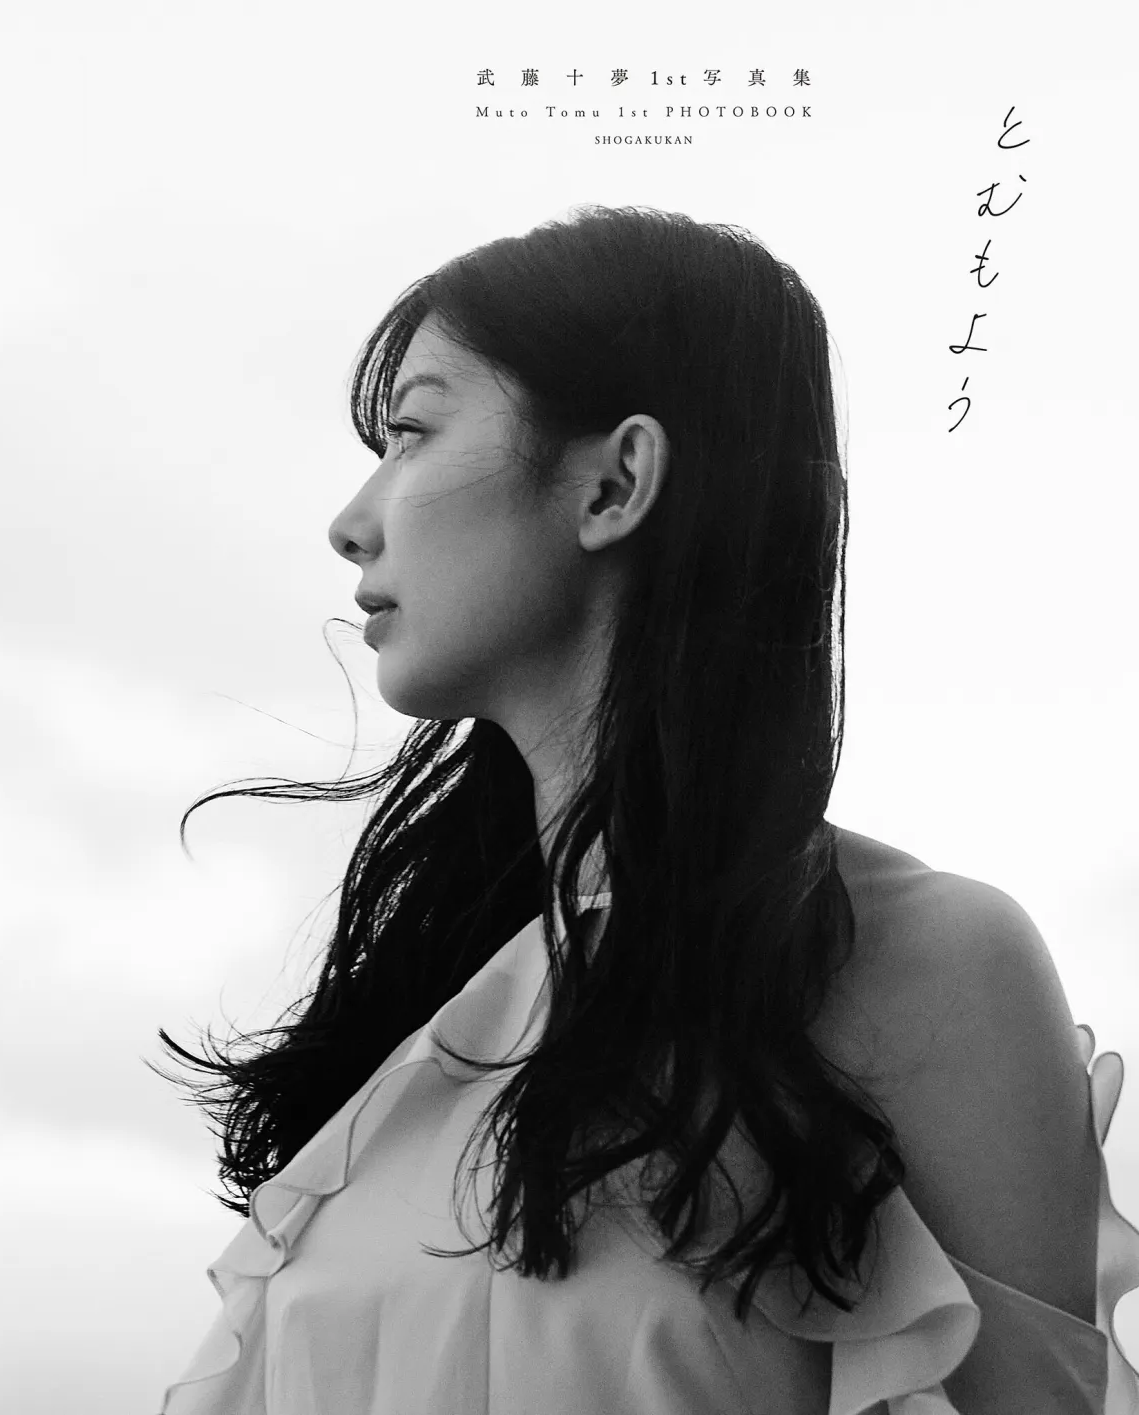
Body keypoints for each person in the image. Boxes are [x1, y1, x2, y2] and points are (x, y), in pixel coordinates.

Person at [154, 206, 1139, 1414]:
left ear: (615, 481)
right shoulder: (434, 1000)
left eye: (410, 431)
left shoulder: (925, 963)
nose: (350, 521)